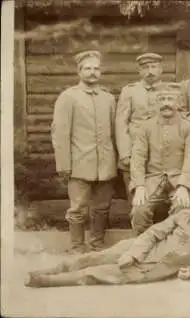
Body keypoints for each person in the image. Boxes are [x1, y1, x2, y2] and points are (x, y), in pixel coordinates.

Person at [24, 191, 190, 288]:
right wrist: (133, 253)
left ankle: (44, 281)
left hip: (152, 267)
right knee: (93, 258)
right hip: (139, 248)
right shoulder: (183, 215)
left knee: (95, 274)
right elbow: (153, 233)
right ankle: (49, 270)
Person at [51, 50, 117, 253]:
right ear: (79, 71)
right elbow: (60, 133)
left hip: (105, 164)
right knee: (77, 209)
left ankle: (97, 245)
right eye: (87, 68)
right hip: (79, 164)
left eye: (96, 68)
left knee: (102, 208)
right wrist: (64, 165)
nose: (92, 72)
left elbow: (115, 132)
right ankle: (77, 247)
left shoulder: (108, 98)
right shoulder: (68, 97)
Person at [129, 84, 190, 235]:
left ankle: (174, 248)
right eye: (162, 99)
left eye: (170, 99)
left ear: (178, 102)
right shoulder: (145, 126)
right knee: (139, 210)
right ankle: (142, 246)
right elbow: (138, 157)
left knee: (183, 209)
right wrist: (140, 186)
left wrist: (184, 186)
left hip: (178, 179)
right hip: (152, 179)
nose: (166, 103)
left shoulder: (188, 127)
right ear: (156, 103)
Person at [115, 53, 176, 201]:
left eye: (154, 67)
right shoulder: (129, 91)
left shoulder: (170, 90)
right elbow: (121, 122)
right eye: (145, 67)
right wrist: (124, 153)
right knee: (136, 193)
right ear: (139, 71)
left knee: (159, 193)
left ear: (161, 69)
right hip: (134, 149)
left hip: (160, 151)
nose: (150, 71)